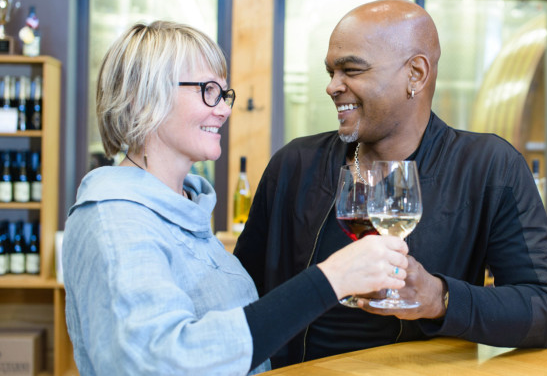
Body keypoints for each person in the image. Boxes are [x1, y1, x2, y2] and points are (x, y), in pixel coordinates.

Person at [62, 21, 410, 376]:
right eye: (208, 91)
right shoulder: (115, 221)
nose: (224, 110)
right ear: (142, 97)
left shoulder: (182, 209)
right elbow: (159, 362)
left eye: (224, 94)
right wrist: (331, 279)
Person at [234, 0, 547, 367]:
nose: (332, 86)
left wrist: (439, 298)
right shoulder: (293, 165)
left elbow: (543, 310)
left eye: (351, 70)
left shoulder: (489, 167)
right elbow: (240, 295)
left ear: (416, 74)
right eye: (331, 72)